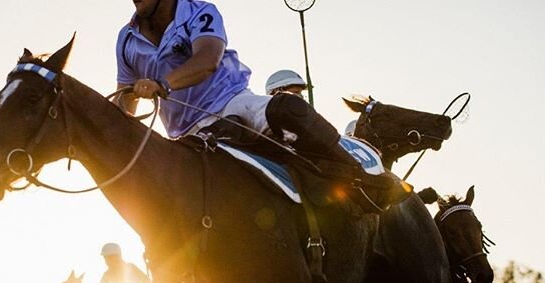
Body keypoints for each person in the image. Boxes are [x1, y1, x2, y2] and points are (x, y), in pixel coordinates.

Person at [115, 0, 408, 206]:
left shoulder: (199, 11)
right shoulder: (125, 40)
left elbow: (207, 60)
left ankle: (364, 179)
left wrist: (163, 84)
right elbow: (123, 102)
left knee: (288, 108)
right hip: (184, 135)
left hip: (231, 101)